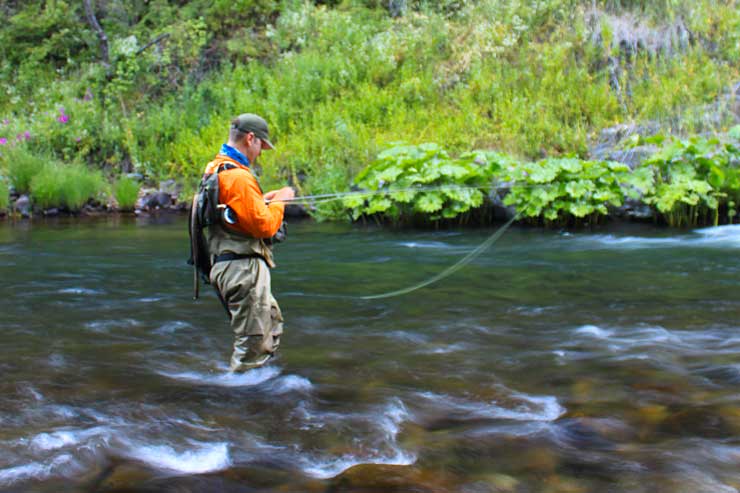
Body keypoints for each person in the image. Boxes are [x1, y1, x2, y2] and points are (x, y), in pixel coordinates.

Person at [204, 113, 294, 372]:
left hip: (227, 267)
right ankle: (239, 398)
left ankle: (263, 386)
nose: (261, 152)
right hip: (242, 270)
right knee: (252, 345)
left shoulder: (216, 168)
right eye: (261, 146)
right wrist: (282, 201)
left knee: (271, 324)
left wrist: (262, 200)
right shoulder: (239, 177)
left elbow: (233, 213)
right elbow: (263, 225)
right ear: (250, 138)